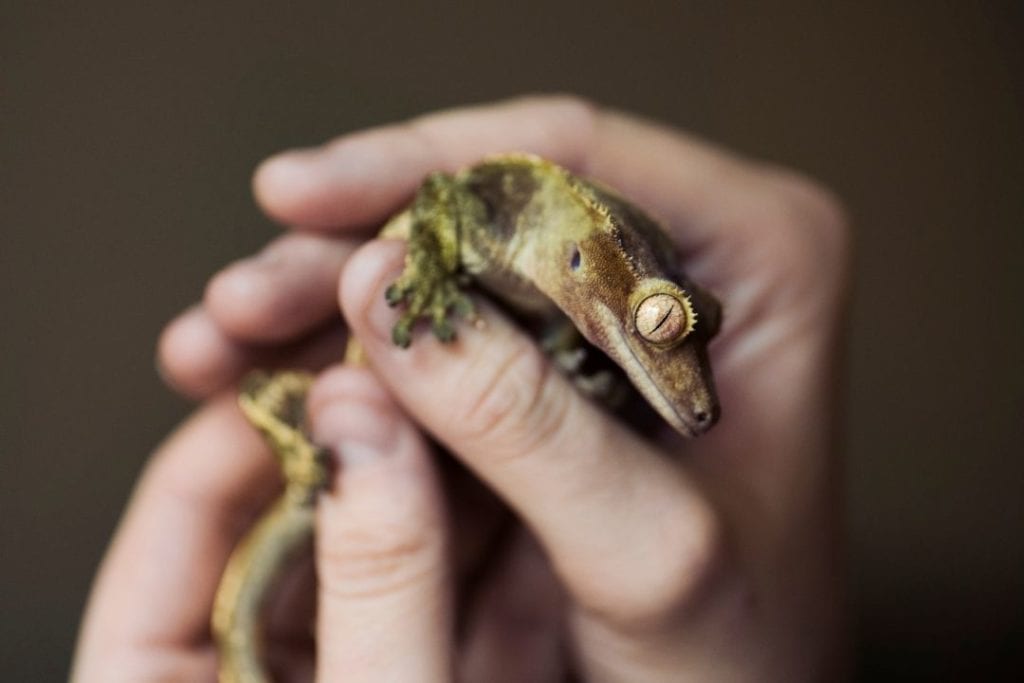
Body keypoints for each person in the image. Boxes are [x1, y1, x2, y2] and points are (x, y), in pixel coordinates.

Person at [72, 95, 850, 681]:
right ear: (585, 266)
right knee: (283, 443)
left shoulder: (559, 282)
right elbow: (440, 194)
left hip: (431, 464)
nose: (697, 390)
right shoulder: (504, 221)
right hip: (362, 417)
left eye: (687, 324)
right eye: (658, 318)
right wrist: (433, 280)